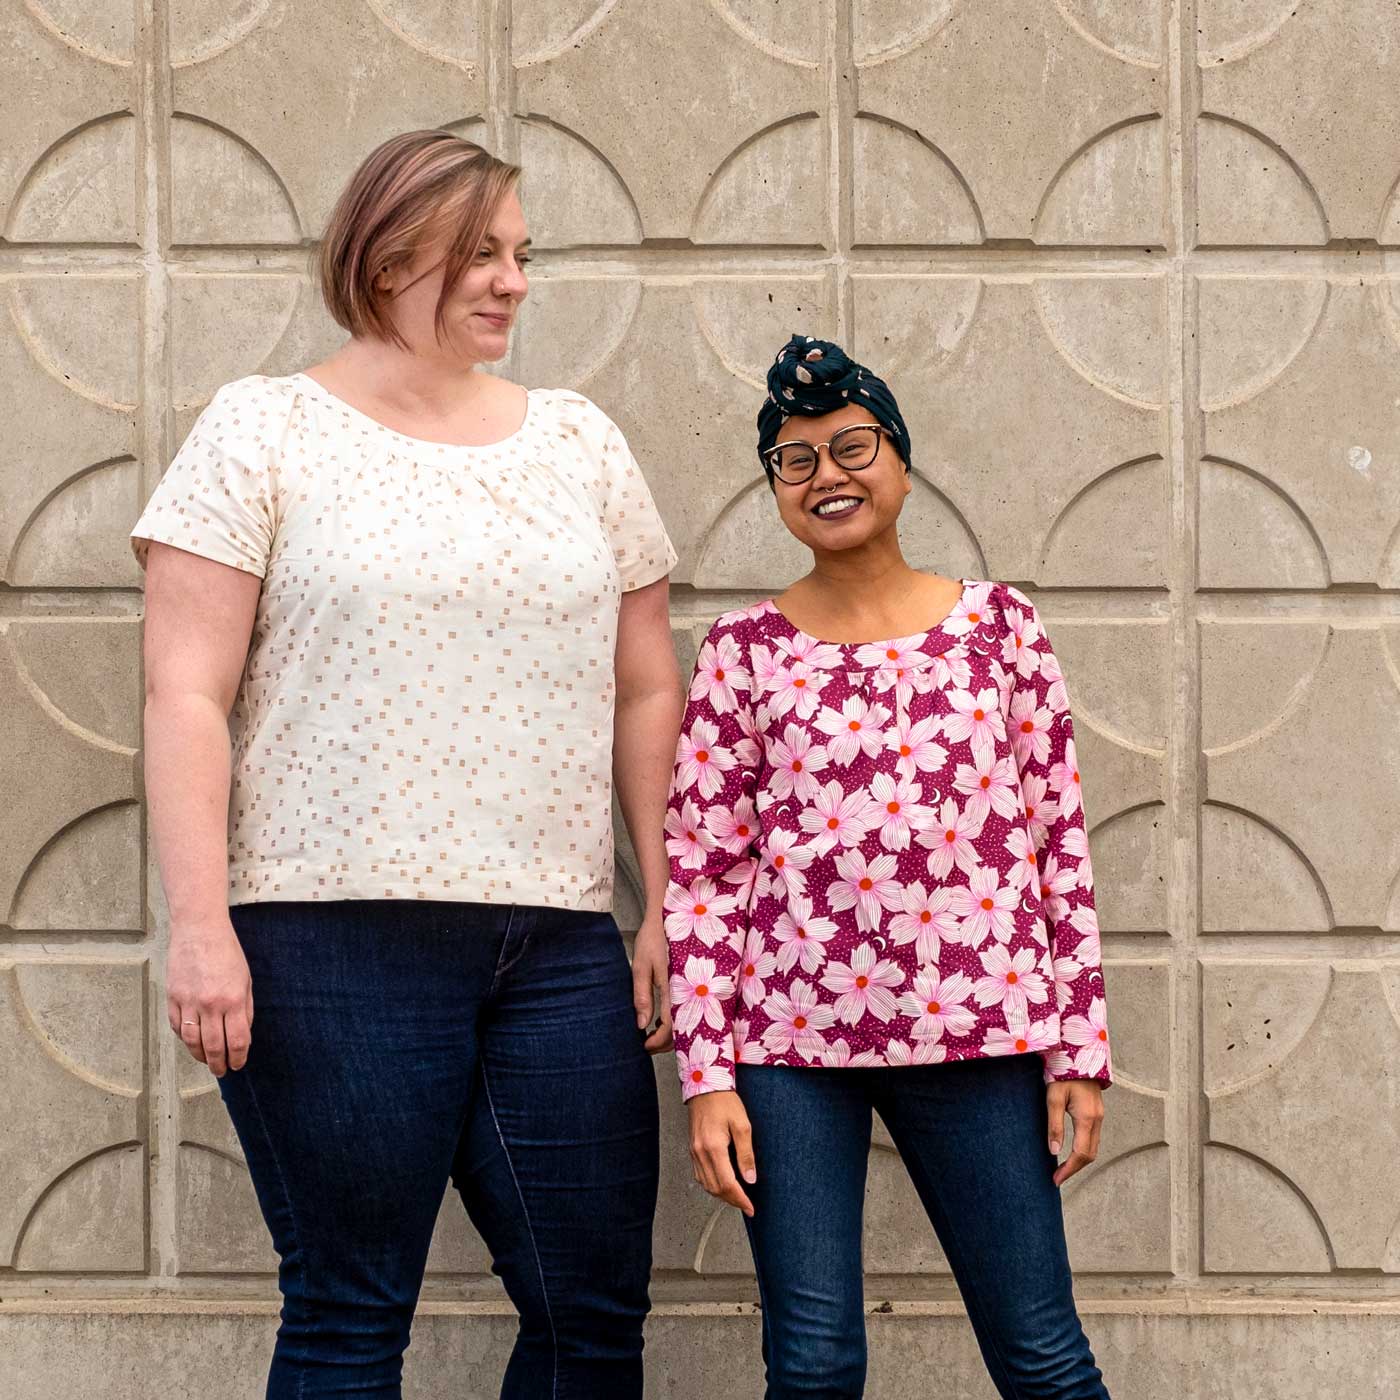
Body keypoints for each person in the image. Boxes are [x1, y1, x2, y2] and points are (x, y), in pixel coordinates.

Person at [133, 130, 684, 1399]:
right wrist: (200, 923)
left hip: (553, 942)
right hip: (329, 940)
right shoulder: (261, 431)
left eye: (520, 255)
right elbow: (184, 694)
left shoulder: (578, 442)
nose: (512, 282)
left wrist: (667, 898)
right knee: (348, 1309)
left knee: (590, 1309)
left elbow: (647, 684)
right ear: (386, 258)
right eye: (478, 255)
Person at [665, 334, 1113, 1398]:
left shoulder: (999, 628)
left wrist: (1079, 1046)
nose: (828, 475)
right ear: (775, 486)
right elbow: (700, 868)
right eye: (796, 459)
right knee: (813, 1363)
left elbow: (1057, 843)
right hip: (785, 1053)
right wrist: (706, 1075)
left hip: (980, 1034)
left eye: (851, 446)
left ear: (901, 462)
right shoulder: (741, 650)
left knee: (1040, 1354)